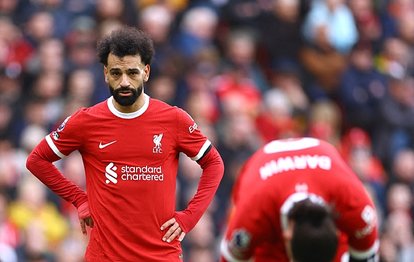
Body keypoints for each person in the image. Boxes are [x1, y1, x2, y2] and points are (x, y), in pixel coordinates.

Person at [25, 26, 225, 261]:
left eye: (132, 72)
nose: (124, 82)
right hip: (105, 256)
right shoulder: (86, 121)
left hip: (160, 256)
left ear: (146, 72)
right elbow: (36, 160)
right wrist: (79, 198)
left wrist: (189, 216)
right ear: (105, 73)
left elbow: (214, 163)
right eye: (116, 73)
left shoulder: (173, 119)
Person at [220, 137, 379, 262]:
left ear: (337, 233)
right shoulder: (251, 215)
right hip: (269, 233)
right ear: (287, 237)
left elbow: (366, 254)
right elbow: (231, 257)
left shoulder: (356, 207)